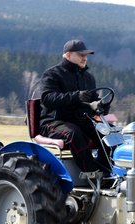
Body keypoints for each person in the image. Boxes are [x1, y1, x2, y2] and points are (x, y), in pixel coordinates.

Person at [38, 39, 111, 173]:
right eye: (81, 55)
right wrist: (76, 96)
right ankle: (91, 173)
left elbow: (92, 102)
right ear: (68, 55)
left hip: (79, 121)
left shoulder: (88, 78)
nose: (85, 58)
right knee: (73, 133)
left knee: (108, 132)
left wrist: (102, 106)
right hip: (53, 122)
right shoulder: (52, 74)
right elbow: (48, 99)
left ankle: (107, 172)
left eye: (86, 55)